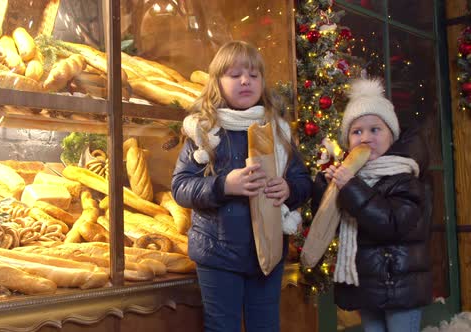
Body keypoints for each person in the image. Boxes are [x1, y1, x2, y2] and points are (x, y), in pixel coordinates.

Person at [171, 41, 312, 332]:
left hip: (268, 250)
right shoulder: (204, 131)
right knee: (223, 326)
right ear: (217, 83)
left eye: (253, 75)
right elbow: (181, 187)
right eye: (234, 75)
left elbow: (303, 181)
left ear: (262, 82)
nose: (245, 80)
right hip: (217, 253)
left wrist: (289, 189)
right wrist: (224, 185)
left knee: (266, 325)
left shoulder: (278, 132)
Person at [311, 78, 432, 332]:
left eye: (375, 130)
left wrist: (351, 187)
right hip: (367, 287)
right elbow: (328, 224)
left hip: (400, 288)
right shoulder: (352, 177)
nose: (365, 137)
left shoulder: (405, 177)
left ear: (392, 136)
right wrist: (327, 187)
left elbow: (390, 223)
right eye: (357, 132)